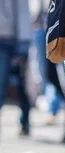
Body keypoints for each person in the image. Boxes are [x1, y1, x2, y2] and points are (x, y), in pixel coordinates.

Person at [0, 0, 31, 134]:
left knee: (6, 85)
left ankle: (25, 120)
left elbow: (22, 12)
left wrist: (23, 46)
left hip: (6, 41)